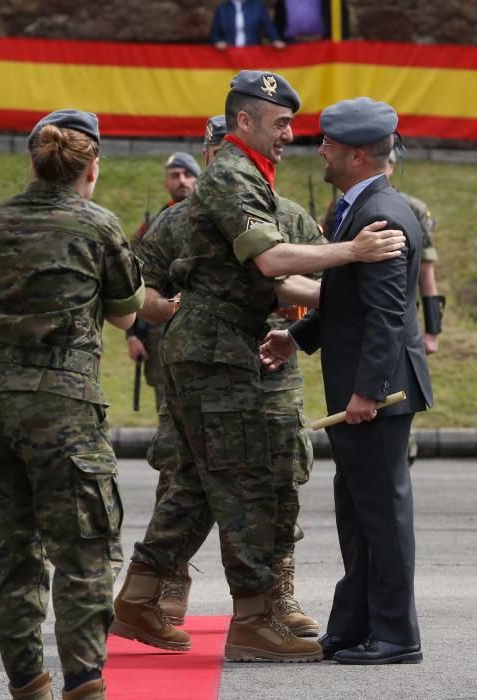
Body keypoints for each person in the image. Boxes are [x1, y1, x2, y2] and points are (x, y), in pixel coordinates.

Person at [111, 71, 406, 664]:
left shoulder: (258, 183)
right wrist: (353, 253)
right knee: (245, 483)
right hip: (218, 356)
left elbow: (277, 277)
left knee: (201, 479)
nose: (291, 136)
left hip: (224, 349)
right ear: (242, 123)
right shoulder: (230, 175)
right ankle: (252, 619)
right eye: (280, 124)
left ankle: (144, 594)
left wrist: (332, 295)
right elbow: (271, 260)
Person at [0, 109, 145, 700]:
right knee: (85, 551)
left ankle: (29, 687)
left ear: (33, 161)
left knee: (12, 554)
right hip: (63, 403)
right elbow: (126, 312)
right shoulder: (98, 224)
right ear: (91, 167)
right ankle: (83, 685)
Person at [134, 114, 325, 637]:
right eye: (217, 153)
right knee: (185, 472)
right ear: (209, 155)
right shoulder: (175, 222)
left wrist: (297, 322)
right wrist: (179, 313)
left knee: (281, 477)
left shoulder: (290, 218)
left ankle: (277, 592)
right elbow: (140, 290)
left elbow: (315, 287)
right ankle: (169, 588)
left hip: (271, 369)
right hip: (207, 367)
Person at [260, 97, 433, 664]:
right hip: (365, 386)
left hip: (378, 392)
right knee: (357, 512)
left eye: (329, 146)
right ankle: (355, 623)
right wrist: (299, 338)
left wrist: (368, 391)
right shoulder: (356, 208)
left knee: (382, 513)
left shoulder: (380, 214)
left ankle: (396, 635)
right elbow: (348, 302)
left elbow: (387, 315)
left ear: (358, 155)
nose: (321, 153)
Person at [127, 152, 201, 412]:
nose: (182, 180)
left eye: (187, 174)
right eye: (174, 175)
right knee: (168, 408)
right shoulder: (151, 226)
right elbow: (134, 282)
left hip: (205, 325)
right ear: (165, 184)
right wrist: (133, 335)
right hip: (161, 328)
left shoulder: (210, 219)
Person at [387, 149, 445, 464]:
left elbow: (427, 273)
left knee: (400, 393)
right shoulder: (341, 205)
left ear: (393, 167)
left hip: (401, 319)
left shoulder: (413, 209)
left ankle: (402, 454)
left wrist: (433, 332)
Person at [210, 0, 286, 49]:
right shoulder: (222, 9)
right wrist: (218, 41)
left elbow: (267, 25)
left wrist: (276, 39)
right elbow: (214, 33)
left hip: (252, 51)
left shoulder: (257, 6)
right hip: (229, 53)